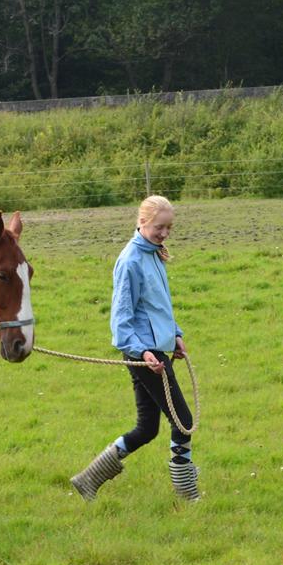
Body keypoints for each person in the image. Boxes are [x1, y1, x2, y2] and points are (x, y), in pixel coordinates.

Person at [70, 194, 199, 502]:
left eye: (169, 228)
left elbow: (158, 306)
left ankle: (88, 478)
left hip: (158, 349)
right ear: (142, 223)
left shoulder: (153, 254)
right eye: (159, 227)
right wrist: (143, 352)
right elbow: (122, 318)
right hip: (146, 356)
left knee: (147, 429)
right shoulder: (130, 261)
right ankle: (188, 495)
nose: (164, 234)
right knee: (184, 422)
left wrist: (175, 335)